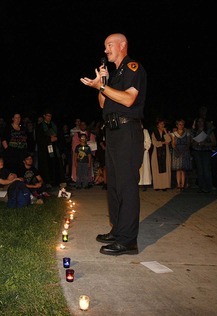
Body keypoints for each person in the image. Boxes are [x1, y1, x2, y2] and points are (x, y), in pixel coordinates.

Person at [80, 33, 146, 255]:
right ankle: (118, 230)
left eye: (110, 45)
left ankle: (128, 241)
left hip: (128, 131)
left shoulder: (133, 68)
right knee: (115, 185)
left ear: (123, 45)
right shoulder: (115, 74)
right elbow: (102, 104)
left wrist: (101, 87)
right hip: (113, 133)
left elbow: (128, 99)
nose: (106, 49)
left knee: (127, 186)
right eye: (105, 46)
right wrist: (103, 84)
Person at [35, 109, 64, 188]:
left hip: (55, 149)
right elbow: (39, 138)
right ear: (44, 116)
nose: (49, 117)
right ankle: (47, 181)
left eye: (50, 116)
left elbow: (61, 135)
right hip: (45, 150)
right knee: (46, 165)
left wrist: (56, 138)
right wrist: (49, 140)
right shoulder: (40, 126)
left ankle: (57, 181)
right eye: (48, 116)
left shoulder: (54, 125)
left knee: (56, 164)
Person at [191, 117, 217, 193]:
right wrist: (196, 142)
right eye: (198, 121)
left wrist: (205, 143)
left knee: (206, 169)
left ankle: (208, 187)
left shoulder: (208, 131)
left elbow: (214, 142)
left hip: (206, 152)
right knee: (200, 170)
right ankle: (201, 187)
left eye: (201, 121)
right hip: (197, 151)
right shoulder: (194, 131)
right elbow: (191, 142)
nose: (200, 123)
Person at [151, 118, 172, 191]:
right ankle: (157, 186)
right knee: (156, 168)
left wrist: (165, 132)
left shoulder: (166, 132)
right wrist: (162, 143)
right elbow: (155, 143)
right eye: (160, 124)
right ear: (157, 125)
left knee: (165, 167)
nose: (162, 125)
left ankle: (165, 185)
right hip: (156, 153)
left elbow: (168, 141)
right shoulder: (154, 133)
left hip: (165, 151)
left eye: (163, 124)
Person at [171, 119, 192, 191]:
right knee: (178, 169)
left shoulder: (187, 133)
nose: (181, 126)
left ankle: (183, 184)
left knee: (183, 169)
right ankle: (178, 184)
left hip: (184, 151)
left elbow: (188, 143)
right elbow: (173, 144)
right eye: (179, 124)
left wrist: (184, 150)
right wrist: (177, 150)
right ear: (177, 125)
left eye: (182, 124)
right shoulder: (174, 134)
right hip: (177, 151)